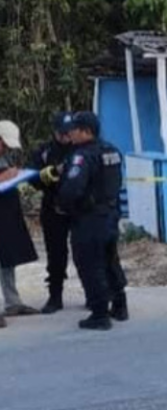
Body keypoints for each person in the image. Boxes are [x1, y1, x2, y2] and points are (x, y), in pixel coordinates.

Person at [58, 112, 128, 331]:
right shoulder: (112, 151)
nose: (70, 133)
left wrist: (63, 206)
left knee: (90, 264)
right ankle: (120, 305)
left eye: (74, 129)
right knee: (110, 261)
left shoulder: (82, 156)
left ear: (86, 131)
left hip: (89, 219)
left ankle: (99, 314)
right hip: (110, 215)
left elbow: (72, 189)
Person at [29, 112, 75, 314]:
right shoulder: (44, 151)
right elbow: (33, 179)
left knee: (86, 253)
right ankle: (55, 296)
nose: (66, 136)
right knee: (56, 255)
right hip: (53, 208)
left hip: (79, 209)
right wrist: (55, 172)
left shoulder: (82, 149)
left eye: (69, 132)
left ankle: (96, 296)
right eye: (62, 133)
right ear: (55, 132)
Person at [0, 120, 40, 328]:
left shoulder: (3, 155)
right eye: (4, 144)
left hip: (5, 212)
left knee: (7, 257)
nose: (5, 148)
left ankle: (13, 302)